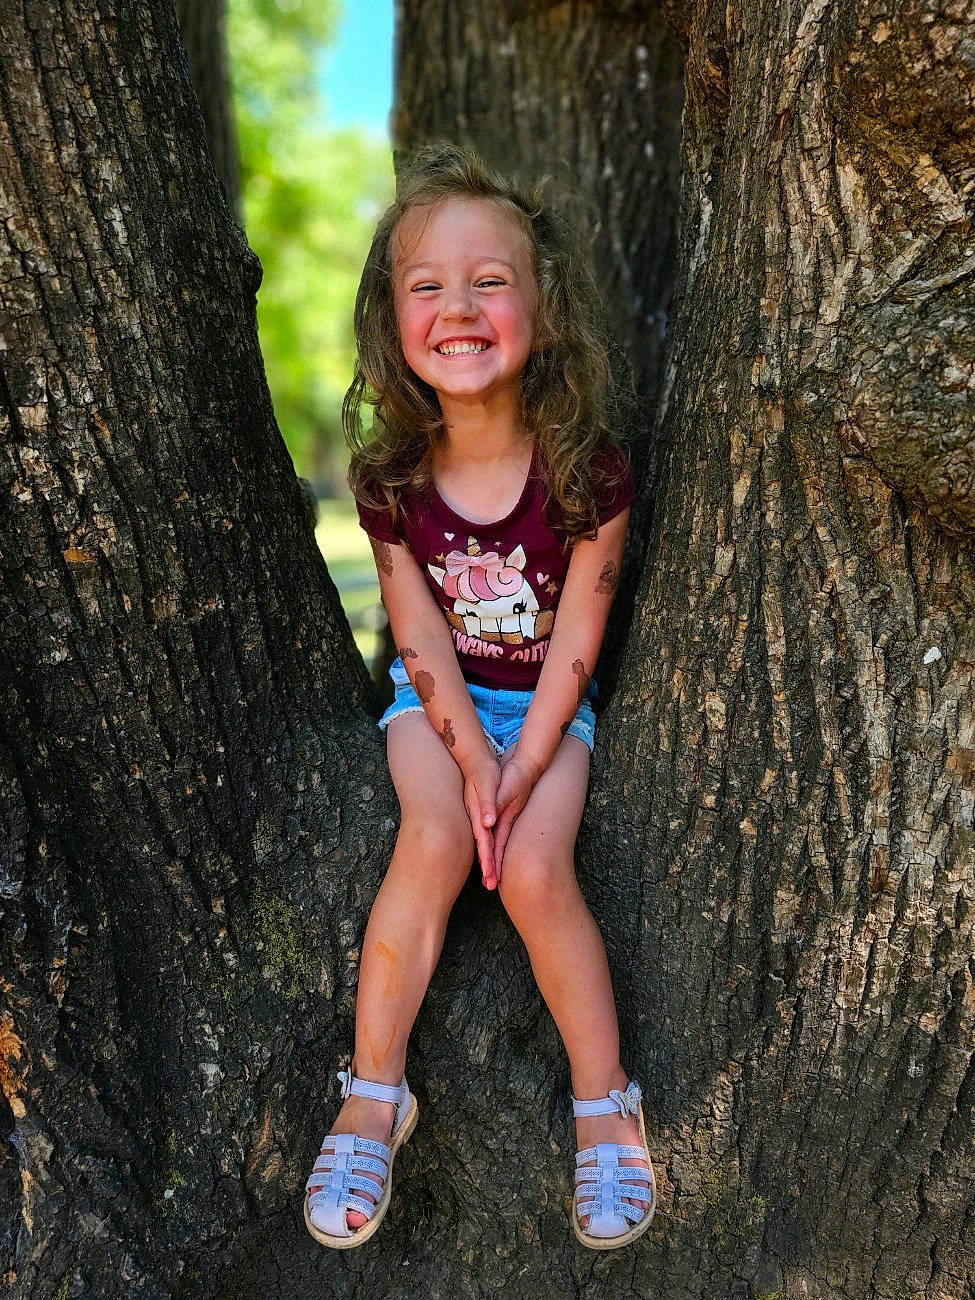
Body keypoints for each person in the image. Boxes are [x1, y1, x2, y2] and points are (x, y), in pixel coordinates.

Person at [303, 143, 656, 1252]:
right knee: (434, 837)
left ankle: (606, 1109)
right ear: (393, 323)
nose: (459, 305)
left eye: (491, 280)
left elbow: (576, 650)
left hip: (551, 713)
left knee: (538, 868)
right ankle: (373, 1096)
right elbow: (417, 644)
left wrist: (527, 759)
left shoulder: (588, 472)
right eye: (427, 285)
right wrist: (471, 761)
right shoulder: (392, 481)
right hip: (437, 712)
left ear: (544, 313)